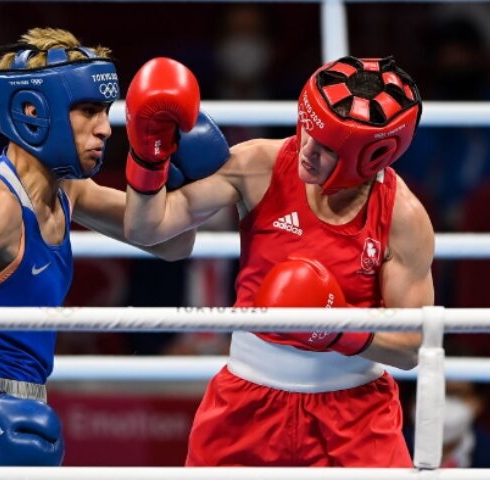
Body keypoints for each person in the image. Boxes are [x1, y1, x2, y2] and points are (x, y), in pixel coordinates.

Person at [0, 28, 228, 467]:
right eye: (88, 111)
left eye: (106, 111)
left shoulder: (69, 189)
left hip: (28, 414)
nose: (105, 128)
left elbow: (172, 242)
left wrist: (163, 167)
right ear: (35, 109)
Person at [123, 55, 434, 466]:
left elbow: (412, 348)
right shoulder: (259, 166)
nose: (306, 150)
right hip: (246, 405)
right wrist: (149, 157)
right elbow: (147, 230)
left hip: (355, 418)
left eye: (325, 148)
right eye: (307, 128)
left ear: (372, 158)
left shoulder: (402, 217)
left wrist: (337, 330)